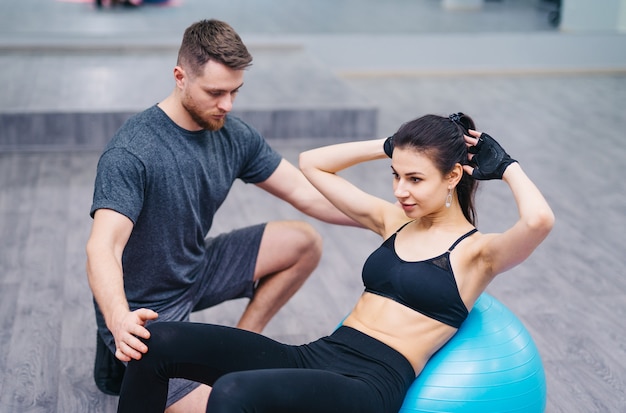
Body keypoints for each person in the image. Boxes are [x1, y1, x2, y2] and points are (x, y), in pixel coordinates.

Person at [115, 113, 555, 413]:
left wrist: (507, 166)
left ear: (454, 176)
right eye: (396, 175)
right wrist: (393, 146)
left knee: (231, 393)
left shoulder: (478, 253)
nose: (400, 190)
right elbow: (314, 165)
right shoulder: (393, 222)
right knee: (155, 343)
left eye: (416, 179)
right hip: (321, 354)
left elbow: (539, 220)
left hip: (370, 386)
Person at [85, 19, 359, 412]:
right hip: (144, 308)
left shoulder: (231, 132)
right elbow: (102, 247)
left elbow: (305, 192)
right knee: (227, 407)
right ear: (180, 77)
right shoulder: (132, 151)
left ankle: (236, 353)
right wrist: (117, 317)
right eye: (216, 92)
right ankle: (119, 351)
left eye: (235, 91)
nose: (227, 104)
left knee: (303, 241)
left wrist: (387, 218)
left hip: (195, 268)